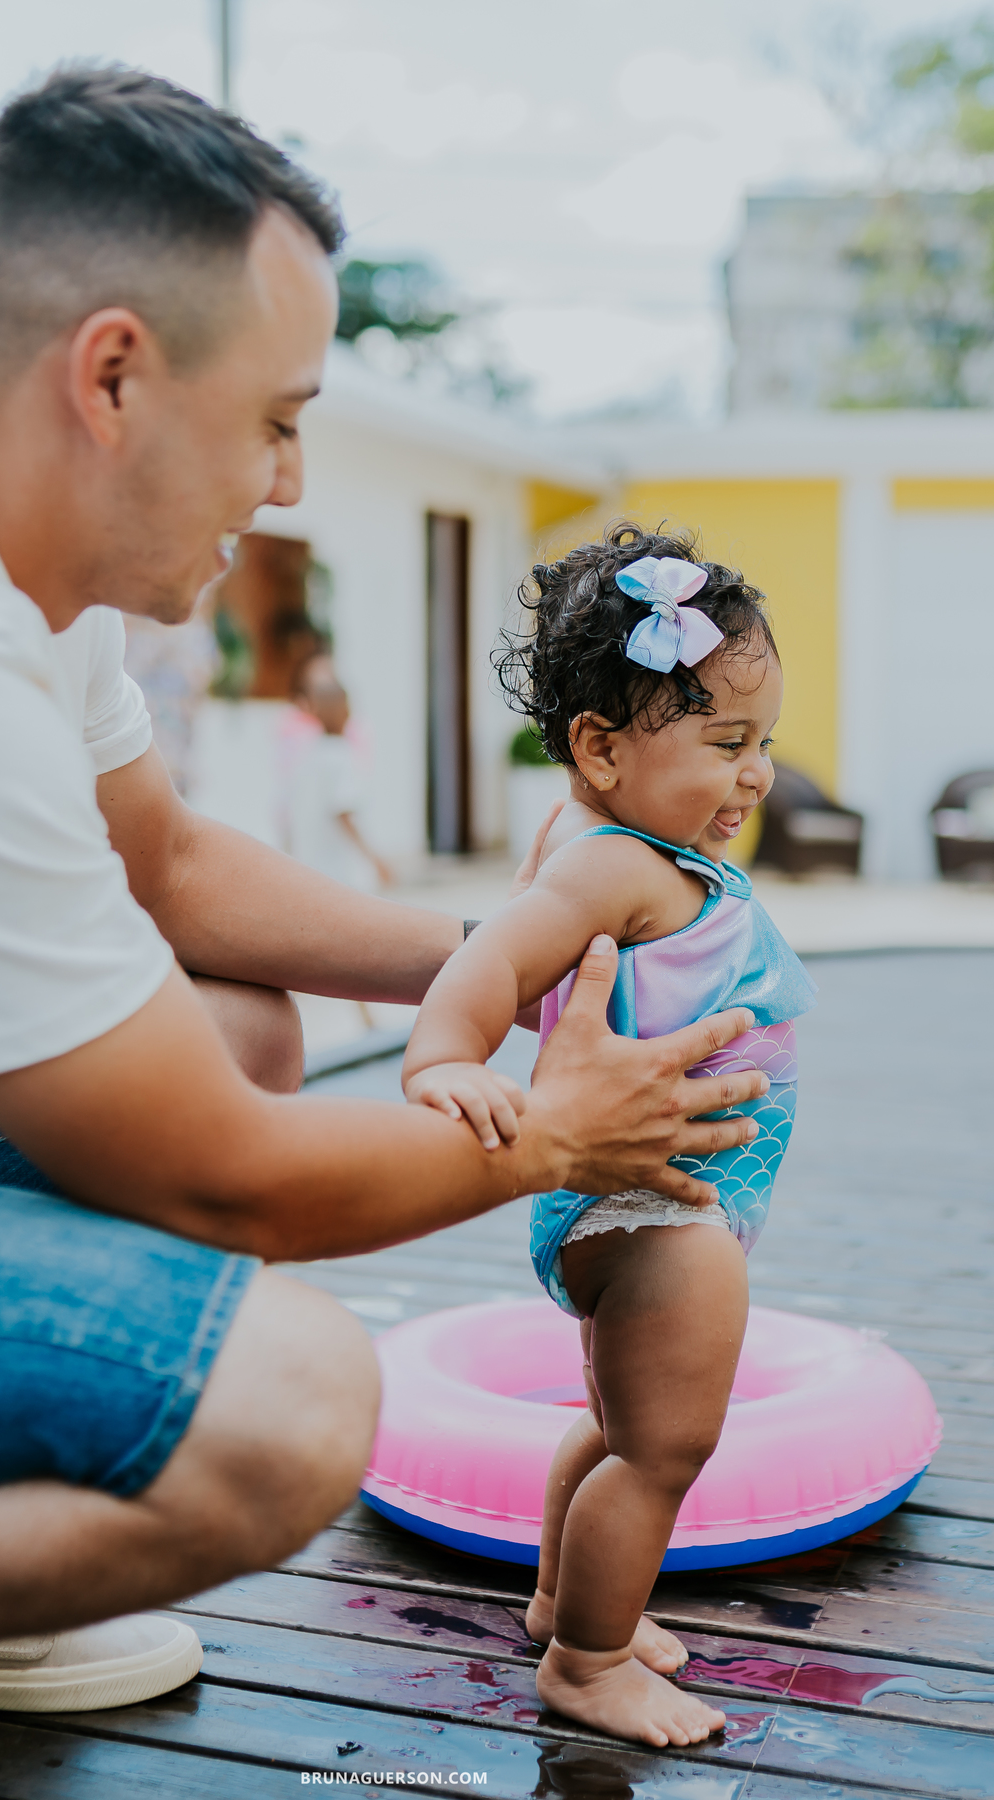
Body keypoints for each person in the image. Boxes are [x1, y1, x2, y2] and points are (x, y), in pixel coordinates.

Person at [0, 68, 772, 1797]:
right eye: (276, 417)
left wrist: (518, 935)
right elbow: (227, 1181)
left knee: (242, 1012)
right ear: (111, 376)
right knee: (291, 1411)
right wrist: (560, 1133)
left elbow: (167, 866)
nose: (295, 479)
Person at [402, 526, 815, 1749]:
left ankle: (562, 1602)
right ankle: (587, 1665)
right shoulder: (614, 867)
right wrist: (442, 1057)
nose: (758, 776)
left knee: (620, 1427)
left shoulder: (627, 845)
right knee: (667, 1449)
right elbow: (488, 957)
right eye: (728, 744)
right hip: (654, 1208)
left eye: (766, 744)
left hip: (652, 1199)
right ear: (600, 747)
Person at [287, 652, 394, 892]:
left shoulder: (309, 755)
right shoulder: (341, 757)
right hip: (340, 875)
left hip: (311, 870)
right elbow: (344, 813)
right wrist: (375, 859)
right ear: (347, 711)